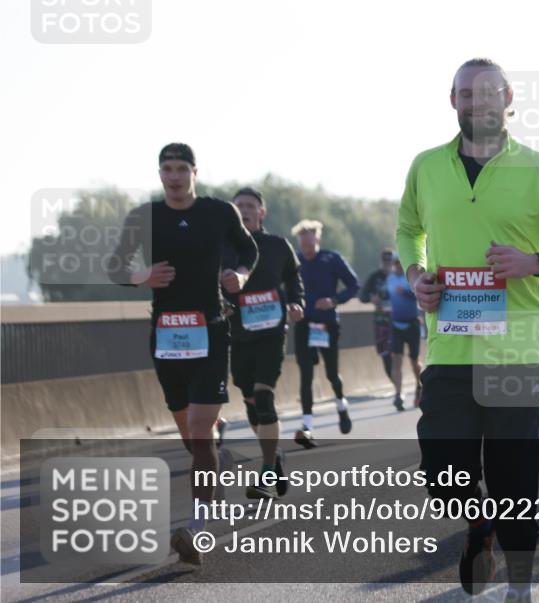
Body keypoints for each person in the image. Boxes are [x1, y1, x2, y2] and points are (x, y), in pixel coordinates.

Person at [396, 58, 539, 600]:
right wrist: (417, 275)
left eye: (487, 93)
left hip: (516, 346)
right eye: (466, 94)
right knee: (442, 469)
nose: (477, 103)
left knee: (514, 471)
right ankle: (480, 526)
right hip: (450, 344)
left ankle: (521, 583)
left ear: (507, 97)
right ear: (453, 100)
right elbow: (408, 232)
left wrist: (537, 262)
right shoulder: (426, 166)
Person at [108, 143, 258, 565]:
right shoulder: (145, 217)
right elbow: (115, 266)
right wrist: (144, 276)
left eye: (181, 169)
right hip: (166, 335)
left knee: (199, 425)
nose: (173, 177)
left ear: (195, 172)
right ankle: (214, 465)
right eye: (166, 169)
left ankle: (199, 527)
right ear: (160, 174)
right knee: (192, 436)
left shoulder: (218, 212)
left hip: (210, 331)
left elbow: (248, 251)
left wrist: (240, 276)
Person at [222, 187, 304, 499]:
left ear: (261, 212)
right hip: (238, 334)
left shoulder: (278, 246)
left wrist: (297, 304)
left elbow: (294, 281)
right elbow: (212, 284)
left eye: (250, 205)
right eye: (238, 205)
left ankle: (267, 470)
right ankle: (275, 456)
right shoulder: (224, 248)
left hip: (271, 331)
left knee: (263, 395)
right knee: (250, 401)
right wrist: (222, 303)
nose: (244, 210)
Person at [291, 219, 359, 447]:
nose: (307, 249)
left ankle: (341, 404)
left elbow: (353, 285)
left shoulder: (332, 259)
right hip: (303, 325)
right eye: (303, 245)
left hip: (327, 324)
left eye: (310, 244)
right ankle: (308, 426)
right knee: (306, 374)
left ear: (317, 240)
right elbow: (283, 288)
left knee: (331, 374)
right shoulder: (295, 261)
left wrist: (334, 300)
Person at [386, 254, 423, 410]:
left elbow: (418, 295)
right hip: (396, 324)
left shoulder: (412, 277)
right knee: (396, 359)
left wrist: (406, 293)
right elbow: (387, 297)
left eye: (400, 263)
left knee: (414, 360)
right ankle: (398, 394)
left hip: (412, 324)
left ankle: (418, 384)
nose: (398, 266)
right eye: (395, 263)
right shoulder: (389, 279)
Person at [359, 249, 396, 384]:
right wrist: (371, 298)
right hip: (381, 321)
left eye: (390, 260)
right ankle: (396, 385)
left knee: (399, 354)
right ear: (381, 261)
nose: (387, 263)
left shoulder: (400, 276)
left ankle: (406, 385)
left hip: (399, 320)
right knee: (385, 354)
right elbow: (362, 296)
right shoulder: (374, 277)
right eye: (384, 260)